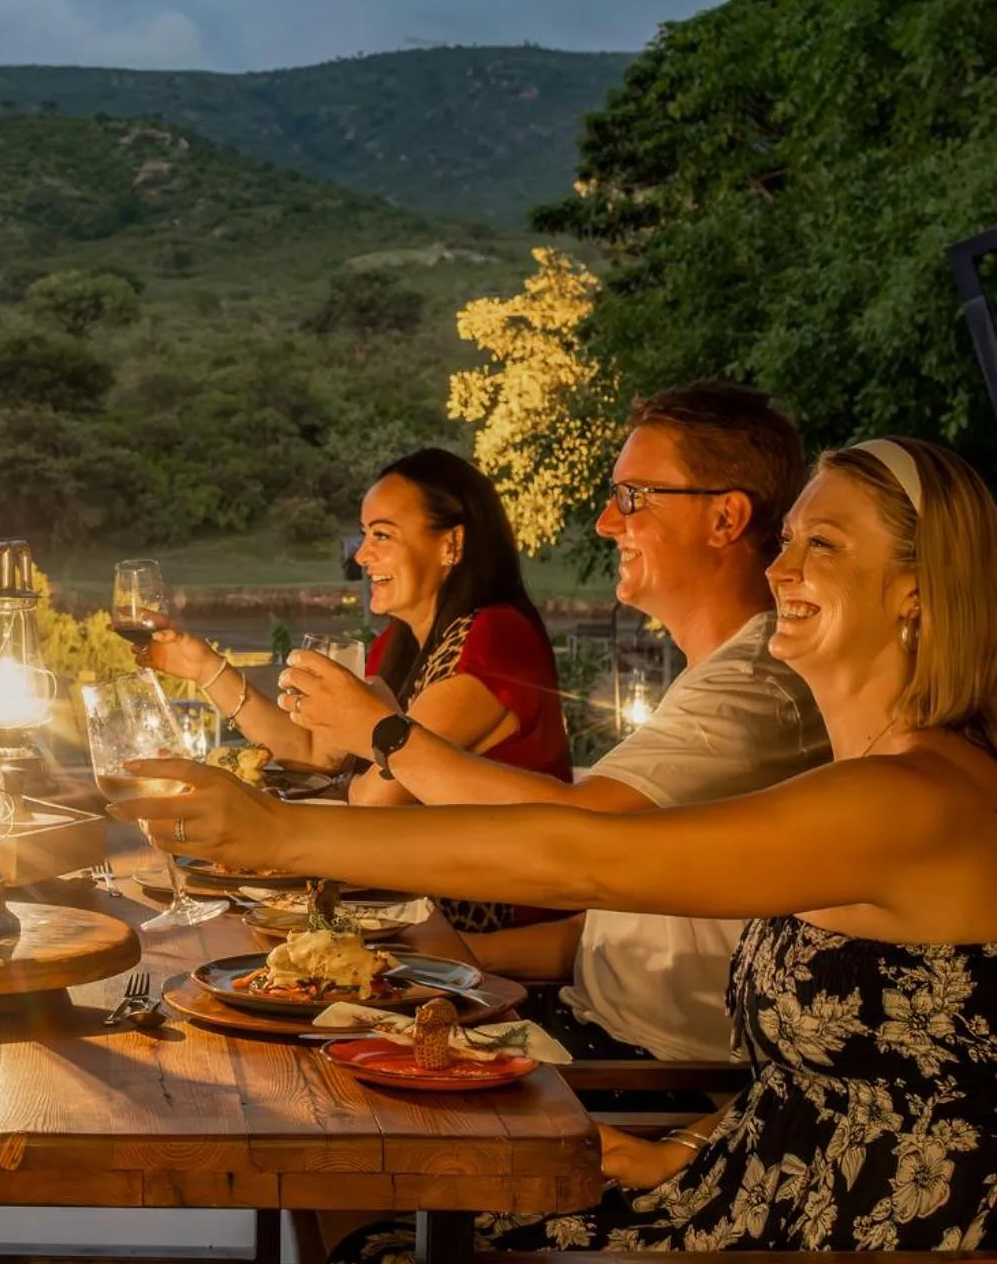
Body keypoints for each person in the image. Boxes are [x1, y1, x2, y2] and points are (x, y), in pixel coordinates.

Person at [113, 437, 997, 1264]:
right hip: (749, 1202)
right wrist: (691, 1149)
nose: (780, 568)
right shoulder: (873, 781)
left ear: (917, 587)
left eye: (824, 545)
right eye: (788, 541)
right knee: (382, 1250)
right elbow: (861, 1073)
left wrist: (283, 835)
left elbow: (589, 855)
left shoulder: (914, 798)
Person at [284, 381, 828, 1064]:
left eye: (633, 496)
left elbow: (579, 838)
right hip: (584, 1019)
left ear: (725, 519)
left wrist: (378, 742)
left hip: (646, 1069)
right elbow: (624, 927)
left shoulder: (751, 688)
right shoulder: (717, 677)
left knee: (309, 1071)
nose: (606, 521)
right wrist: (448, 956)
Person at [144, 447, 570, 932]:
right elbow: (315, 751)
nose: (362, 555)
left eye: (382, 535)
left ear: (451, 544)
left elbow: (375, 799)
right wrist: (204, 669)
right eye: (365, 536)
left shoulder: (495, 637)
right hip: (414, 907)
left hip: (488, 931)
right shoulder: (404, 641)